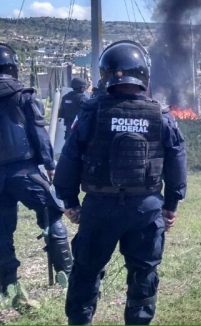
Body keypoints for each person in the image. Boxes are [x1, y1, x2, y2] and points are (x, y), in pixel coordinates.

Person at [54, 40, 187, 325]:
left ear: (105, 74)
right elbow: (177, 161)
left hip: (99, 207)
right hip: (146, 209)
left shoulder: (91, 112)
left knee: (86, 271)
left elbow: (69, 157)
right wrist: (171, 206)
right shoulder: (161, 116)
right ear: (144, 76)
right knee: (144, 274)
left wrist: (69, 202)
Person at [0, 43, 73, 305]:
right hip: (25, 171)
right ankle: (67, 272)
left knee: (2, 232)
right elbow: (39, 133)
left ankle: (9, 286)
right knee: (52, 213)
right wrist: (50, 165)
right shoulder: (24, 95)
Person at [59, 77, 88, 142]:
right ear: (80, 87)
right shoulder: (82, 98)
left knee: (69, 143)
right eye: (84, 87)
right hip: (79, 125)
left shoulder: (65, 97)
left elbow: (61, 113)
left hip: (68, 125)